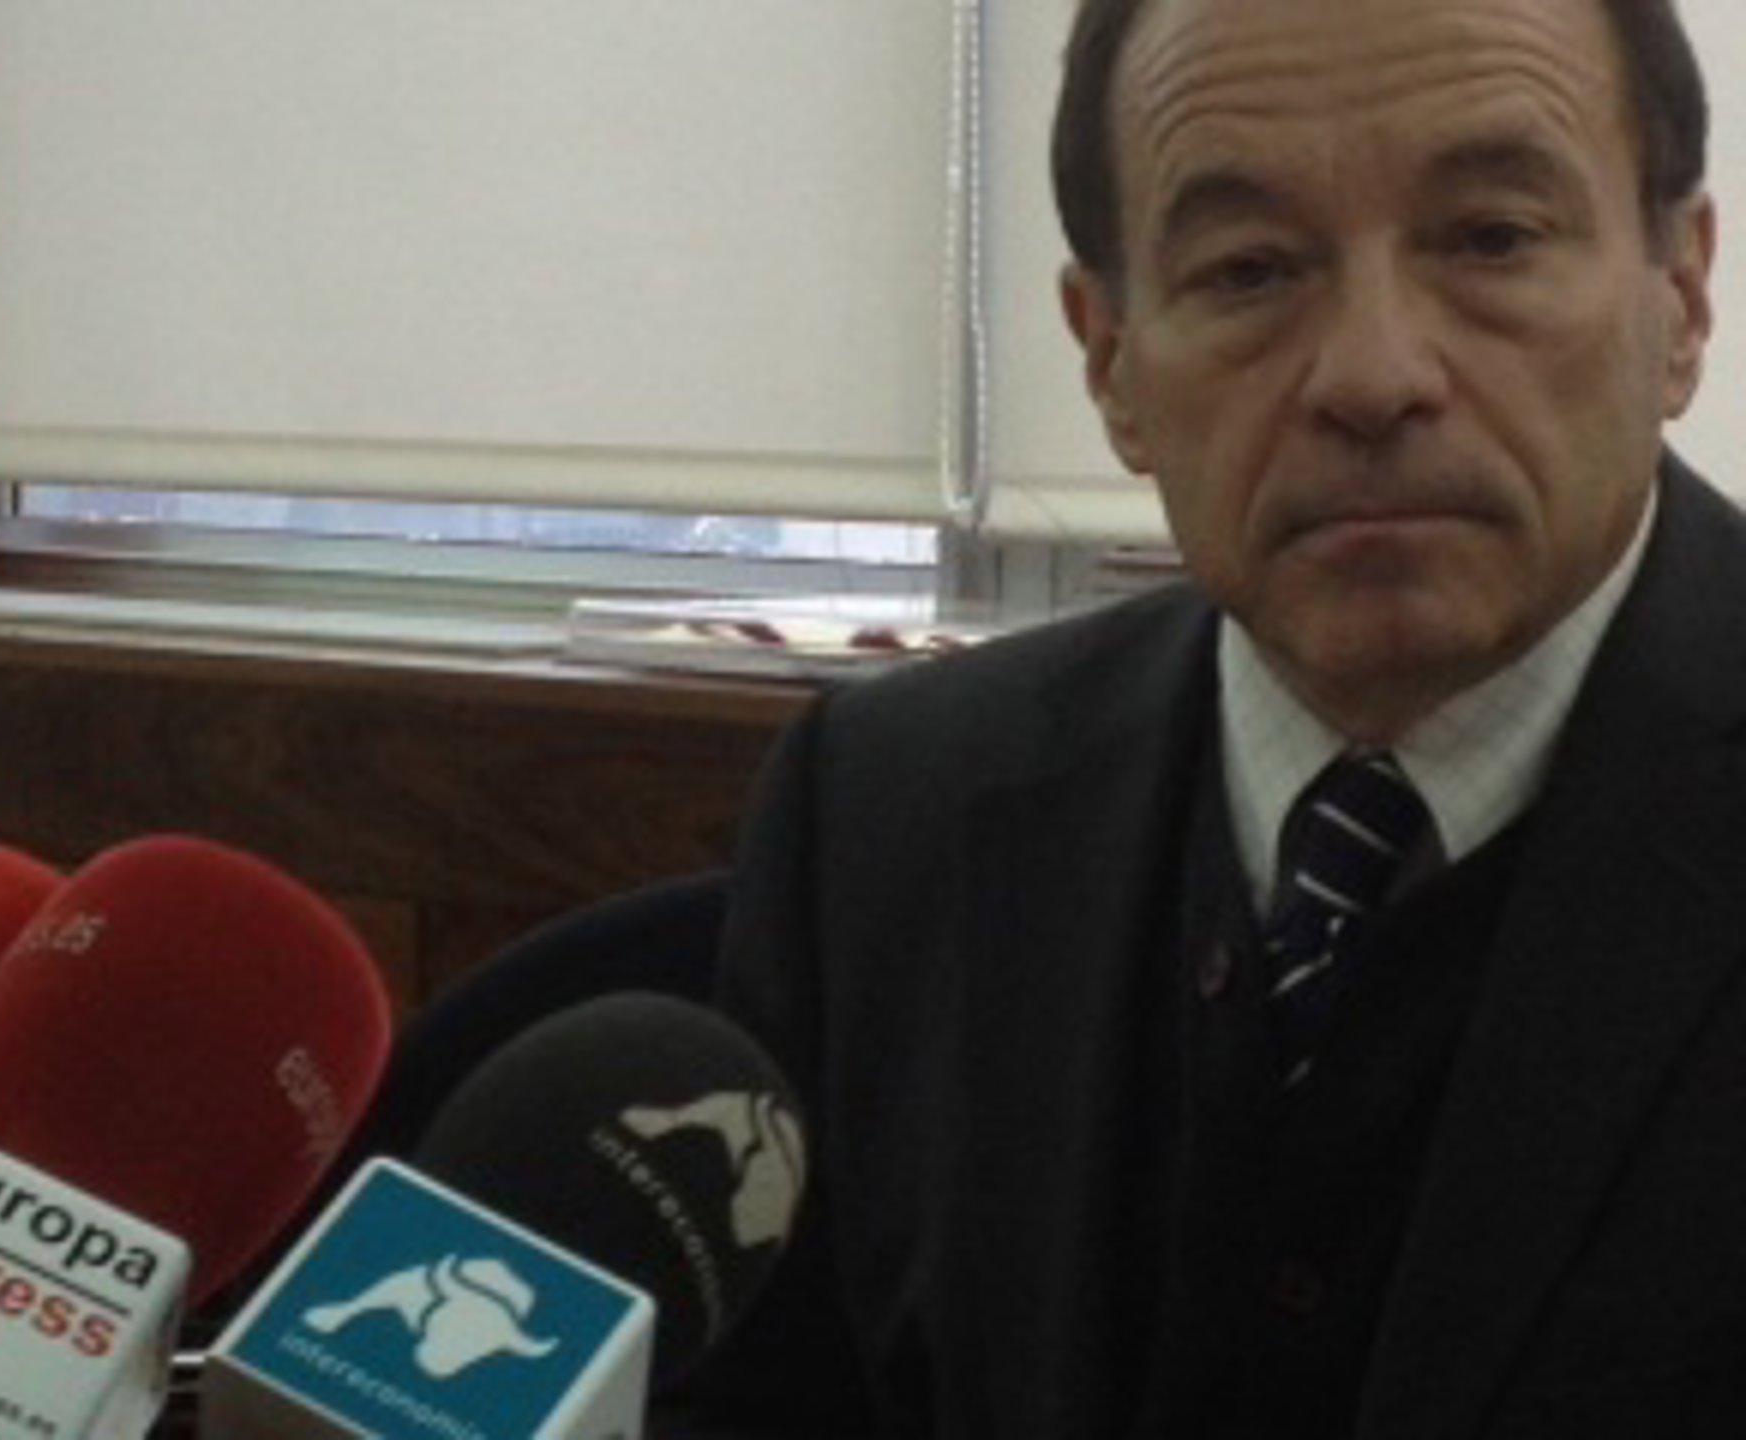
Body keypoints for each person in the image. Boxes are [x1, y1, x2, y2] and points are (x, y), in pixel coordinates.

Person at [653, 0, 1738, 1434]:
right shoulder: (887, 811)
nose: (1373, 377)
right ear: (1111, 362)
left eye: (1490, 239)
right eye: (1249, 269)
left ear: (1680, 298)